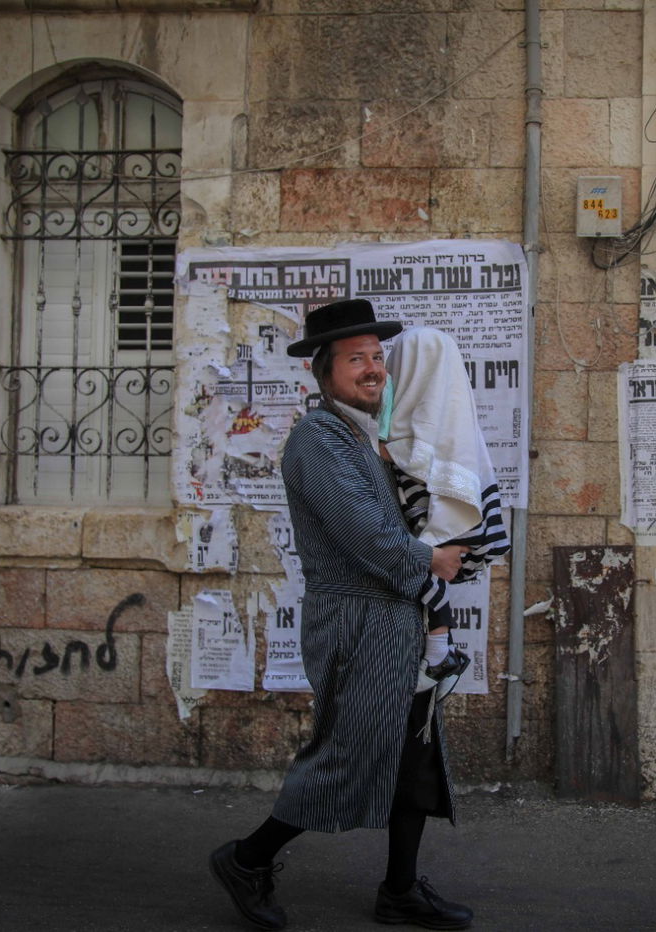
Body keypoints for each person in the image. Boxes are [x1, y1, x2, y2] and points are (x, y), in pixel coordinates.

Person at [208, 299, 474, 931]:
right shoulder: (318, 439)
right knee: (346, 754)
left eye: (377, 357)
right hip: (357, 627)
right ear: (322, 373)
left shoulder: (368, 437)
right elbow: (367, 536)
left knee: (415, 754)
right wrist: (432, 560)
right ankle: (247, 859)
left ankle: (401, 889)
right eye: (356, 359)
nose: (372, 369)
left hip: (396, 622)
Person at [381, 326, 511, 705]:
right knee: (422, 563)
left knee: (424, 557)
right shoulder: (442, 404)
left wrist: (380, 450)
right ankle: (440, 650)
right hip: (451, 512)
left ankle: (439, 652)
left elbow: (416, 452)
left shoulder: (430, 411)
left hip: (448, 513)